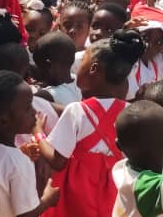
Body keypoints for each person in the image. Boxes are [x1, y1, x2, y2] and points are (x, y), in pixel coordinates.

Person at [36, 31, 144, 217]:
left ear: (93, 69)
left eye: (81, 62)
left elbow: (57, 161)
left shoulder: (77, 111)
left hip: (73, 201)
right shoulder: (131, 114)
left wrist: (37, 131)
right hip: (113, 199)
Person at [0, 71, 60, 216]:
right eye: (27, 108)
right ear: (3, 120)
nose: (34, 112)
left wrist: (21, 152)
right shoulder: (19, 164)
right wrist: (47, 200)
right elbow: (25, 215)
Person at [32, 32, 81, 105]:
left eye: (38, 65)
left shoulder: (45, 95)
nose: (38, 70)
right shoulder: (78, 81)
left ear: (49, 65)